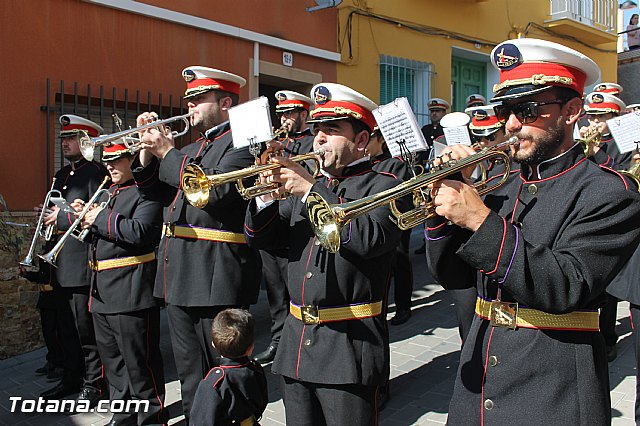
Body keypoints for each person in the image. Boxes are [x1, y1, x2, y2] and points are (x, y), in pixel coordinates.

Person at [425, 38, 640, 424]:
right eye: (506, 110)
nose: (510, 124)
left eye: (525, 110)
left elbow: (565, 286)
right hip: (477, 386)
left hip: (553, 392)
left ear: (572, 111)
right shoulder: (500, 184)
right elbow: (454, 277)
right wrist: (442, 211)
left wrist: (478, 219)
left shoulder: (609, 191)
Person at [245, 83, 406, 425]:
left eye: (332, 130)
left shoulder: (387, 182)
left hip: (349, 348)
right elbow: (261, 239)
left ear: (361, 141)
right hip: (296, 346)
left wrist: (309, 191)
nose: (318, 138)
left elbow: (369, 239)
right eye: (317, 129)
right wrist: (265, 195)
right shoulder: (308, 186)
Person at [132, 66, 262, 422]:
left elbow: (215, 191)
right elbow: (152, 189)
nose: (189, 106)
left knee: (223, 370)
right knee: (190, 372)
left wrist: (168, 152)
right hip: (180, 272)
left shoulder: (244, 142)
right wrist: (147, 149)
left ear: (224, 103)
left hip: (215, 272)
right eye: (187, 98)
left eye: (197, 99)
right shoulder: (194, 146)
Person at [81, 142, 166, 426]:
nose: (110, 165)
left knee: (140, 365)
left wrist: (99, 218)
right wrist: (82, 216)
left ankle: (152, 418)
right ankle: (125, 415)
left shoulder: (147, 193)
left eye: (117, 159)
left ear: (133, 159)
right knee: (114, 365)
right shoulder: (107, 193)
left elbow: (141, 232)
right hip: (102, 289)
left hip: (131, 290)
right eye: (107, 160)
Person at [40, 114, 109, 406]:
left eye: (71, 139)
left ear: (86, 142)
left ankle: (94, 384)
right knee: (66, 327)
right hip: (59, 262)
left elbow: (95, 216)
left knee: (85, 330)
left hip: (80, 262)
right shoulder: (61, 175)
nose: (65, 143)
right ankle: (71, 376)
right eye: (64, 139)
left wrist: (65, 215)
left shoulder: (96, 172)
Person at [253, 90, 315, 365]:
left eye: (291, 113)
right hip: (274, 219)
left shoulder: (313, 143)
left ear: (304, 114)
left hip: (298, 221)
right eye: (283, 114)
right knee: (275, 289)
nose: (286, 119)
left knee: (295, 288)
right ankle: (279, 338)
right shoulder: (276, 143)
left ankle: (296, 337)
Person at [579, 90, 630, 362]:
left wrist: (598, 152)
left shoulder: (626, 143)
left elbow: (624, 179)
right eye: (593, 116)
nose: (595, 122)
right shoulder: (584, 140)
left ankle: (607, 338)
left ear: (615, 116)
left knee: (609, 286)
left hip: (615, 215)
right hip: (589, 212)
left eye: (602, 116)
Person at [367, 127, 414, 326]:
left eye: (369, 140)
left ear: (380, 140)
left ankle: (403, 306)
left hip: (395, 219)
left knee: (400, 261)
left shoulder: (395, 164)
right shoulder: (364, 164)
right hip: (369, 221)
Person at [190, 308, 268, 425]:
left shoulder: (215, 382)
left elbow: (201, 421)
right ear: (250, 348)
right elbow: (261, 403)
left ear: (213, 344)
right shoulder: (256, 370)